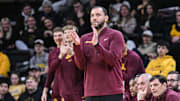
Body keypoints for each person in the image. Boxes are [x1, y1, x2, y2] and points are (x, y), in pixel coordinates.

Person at [71, 6, 125, 101]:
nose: (94, 18)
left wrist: (97, 46)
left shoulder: (116, 35)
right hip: (90, 92)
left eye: (98, 15)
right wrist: (77, 47)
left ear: (106, 18)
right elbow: (81, 66)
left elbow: (112, 60)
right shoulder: (84, 38)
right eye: (92, 16)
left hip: (112, 92)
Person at [41, 27, 64, 101]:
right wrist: (45, 91)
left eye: (60, 35)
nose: (57, 38)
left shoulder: (71, 50)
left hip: (70, 87)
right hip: (57, 88)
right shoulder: (52, 53)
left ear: (64, 35)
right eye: (55, 36)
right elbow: (50, 73)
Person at [122, 35, 145, 101]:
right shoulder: (117, 56)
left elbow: (128, 77)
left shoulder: (133, 57)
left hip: (135, 91)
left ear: (126, 44)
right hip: (124, 90)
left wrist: (114, 70)